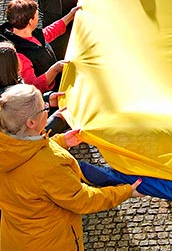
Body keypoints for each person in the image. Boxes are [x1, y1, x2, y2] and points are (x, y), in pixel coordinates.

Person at [0, 83, 143, 249]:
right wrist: (125, 192)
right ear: (31, 123)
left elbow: (25, 154)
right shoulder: (50, 166)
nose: (48, 109)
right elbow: (83, 200)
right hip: (51, 243)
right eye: (44, 107)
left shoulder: (9, 148)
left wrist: (60, 141)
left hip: (15, 239)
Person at [0, 0, 79, 92]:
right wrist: (54, 70)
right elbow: (32, 86)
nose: (38, 17)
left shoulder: (30, 34)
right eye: (37, 15)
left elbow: (50, 32)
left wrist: (71, 15)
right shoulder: (19, 54)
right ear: (30, 21)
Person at [0, 41, 67, 134]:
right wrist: (55, 120)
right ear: (11, 67)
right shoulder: (8, 101)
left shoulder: (13, 90)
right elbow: (27, 138)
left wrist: (46, 99)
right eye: (17, 57)